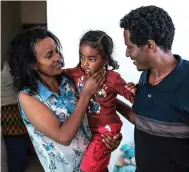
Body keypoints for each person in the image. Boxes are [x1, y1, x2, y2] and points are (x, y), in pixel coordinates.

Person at [117, 5, 189, 172]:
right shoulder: (144, 78)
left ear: (150, 45)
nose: (127, 53)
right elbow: (144, 122)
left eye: (130, 47)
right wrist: (112, 101)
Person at [7, 27, 122, 172]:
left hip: (96, 165)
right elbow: (63, 137)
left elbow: (102, 101)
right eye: (49, 55)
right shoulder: (28, 97)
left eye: (56, 50)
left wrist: (109, 137)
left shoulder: (68, 80)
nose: (58, 57)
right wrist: (86, 94)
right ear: (33, 64)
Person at [64, 30, 135, 172]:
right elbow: (59, 74)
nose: (84, 64)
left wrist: (134, 90)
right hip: (87, 129)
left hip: (105, 132)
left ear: (105, 60)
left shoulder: (112, 78)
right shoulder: (77, 73)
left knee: (89, 168)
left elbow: (132, 97)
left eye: (91, 59)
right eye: (82, 57)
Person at [1, 62, 29, 172]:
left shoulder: (8, 68)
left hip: (8, 110)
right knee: (16, 142)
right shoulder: (11, 69)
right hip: (10, 110)